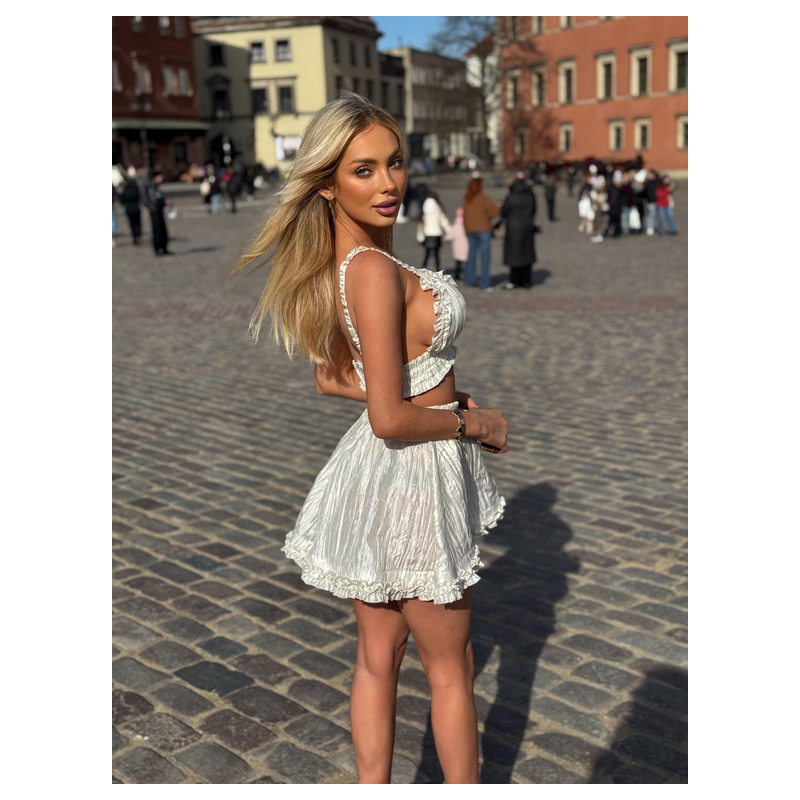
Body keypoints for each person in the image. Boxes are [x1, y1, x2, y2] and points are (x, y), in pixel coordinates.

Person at [227, 92, 507, 785]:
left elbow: (332, 379)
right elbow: (390, 418)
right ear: (327, 183)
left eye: (395, 163)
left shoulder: (349, 263)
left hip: (379, 477)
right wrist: (472, 423)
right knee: (451, 669)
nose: (389, 184)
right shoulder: (375, 269)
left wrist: (439, 395)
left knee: (377, 660)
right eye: (364, 170)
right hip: (413, 474)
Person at [499, 173, 537, 289]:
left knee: (514, 255)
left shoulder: (511, 197)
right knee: (527, 254)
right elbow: (534, 210)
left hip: (513, 228)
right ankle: (526, 281)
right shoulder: (530, 195)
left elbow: (504, 213)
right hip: (527, 227)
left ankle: (514, 280)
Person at [462, 177, 500, 292]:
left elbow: (465, 217)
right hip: (484, 230)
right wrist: (498, 206)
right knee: (485, 257)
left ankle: (469, 280)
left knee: (471, 256)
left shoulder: (467, 199)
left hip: (470, 230)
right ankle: (484, 283)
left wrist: (466, 229)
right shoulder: (483, 198)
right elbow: (493, 212)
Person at [419, 188, 451, 269]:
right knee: (436, 255)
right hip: (437, 233)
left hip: (427, 233)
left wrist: (420, 237)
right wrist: (450, 231)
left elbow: (421, 224)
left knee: (427, 254)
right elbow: (443, 221)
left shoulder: (424, 207)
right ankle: (437, 269)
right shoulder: (438, 207)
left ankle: (422, 269)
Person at [143, 172, 170, 255]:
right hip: (155, 210)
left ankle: (163, 247)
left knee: (162, 229)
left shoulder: (155, 186)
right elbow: (154, 199)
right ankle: (158, 248)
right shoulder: (152, 187)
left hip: (158, 209)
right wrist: (163, 202)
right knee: (157, 229)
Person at [444, 207, 469, 280]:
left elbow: (451, 235)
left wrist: (446, 239)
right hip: (466, 246)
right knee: (467, 263)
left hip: (457, 247)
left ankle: (457, 275)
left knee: (458, 263)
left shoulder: (456, 225)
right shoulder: (467, 225)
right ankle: (467, 275)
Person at [117, 177, 142, 245]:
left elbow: (122, 200)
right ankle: (138, 236)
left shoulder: (125, 190)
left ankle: (135, 237)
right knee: (138, 223)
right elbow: (139, 196)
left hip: (129, 209)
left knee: (132, 224)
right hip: (136, 208)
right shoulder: (135, 188)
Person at [644, 169, 660, 235]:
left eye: (650, 174)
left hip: (659, 201)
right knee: (650, 215)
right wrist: (647, 202)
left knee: (660, 215)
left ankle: (660, 228)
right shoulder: (647, 183)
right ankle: (650, 227)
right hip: (651, 202)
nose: (649, 175)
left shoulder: (658, 182)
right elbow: (646, 193)